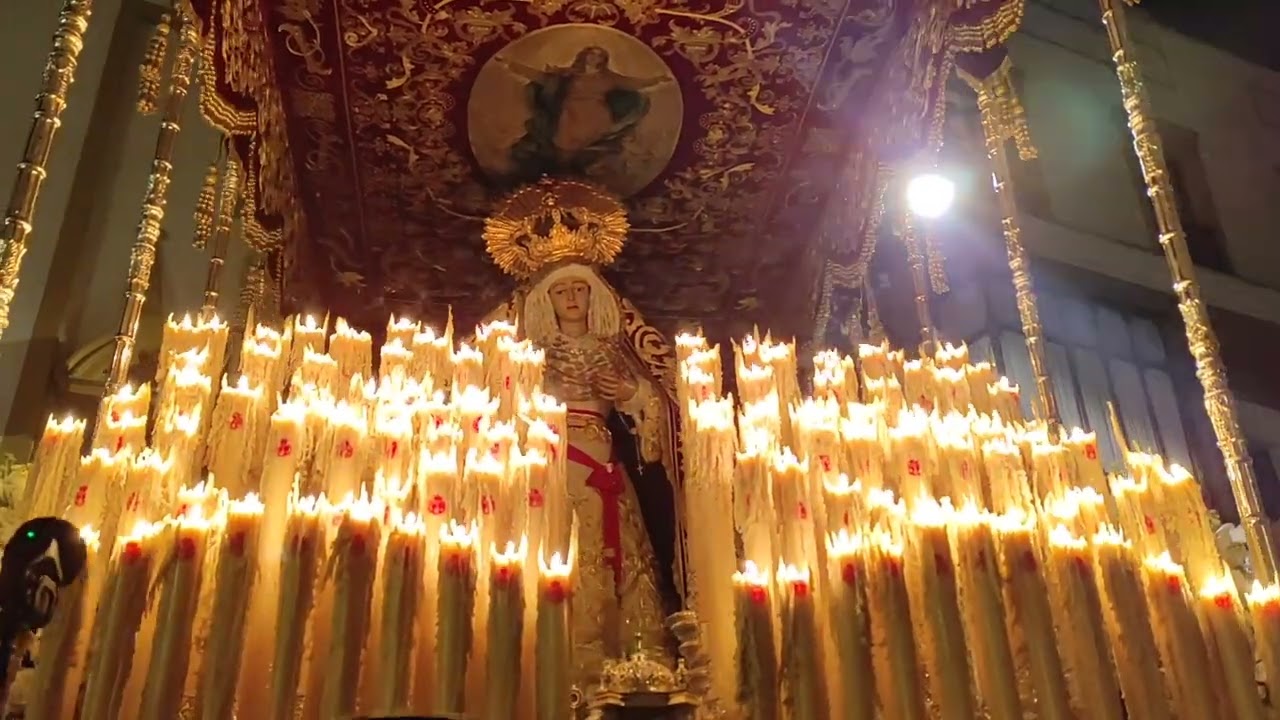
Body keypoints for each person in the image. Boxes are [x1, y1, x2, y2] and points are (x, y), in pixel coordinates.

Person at [510, 261, 683, 685]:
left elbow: (657, 404)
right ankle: (565, 652)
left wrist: (630, 392)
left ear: (595, 297)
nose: (571, 298)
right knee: (564, 546)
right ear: (545, 302)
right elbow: (506, 400)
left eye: (579, 289)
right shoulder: (534, 354)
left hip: (604, 458)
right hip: (554, 461)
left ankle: (631, 657)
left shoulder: (613, 349)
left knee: (621, 552)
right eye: (560, 291)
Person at [496, 46, 673, 183]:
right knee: (563, 140)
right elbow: (539, 76)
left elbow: (634, 83)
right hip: (569, 112)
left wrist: (657, 80)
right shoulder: (567, 74)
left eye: (599, 56)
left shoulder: (609, 77)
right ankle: (562, 171)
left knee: (582, 139)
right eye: (592, 54)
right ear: (584, 56)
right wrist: (511, 65)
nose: (594, 58)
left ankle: (573, 169)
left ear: (604, 60)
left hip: (596, 114)